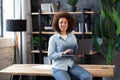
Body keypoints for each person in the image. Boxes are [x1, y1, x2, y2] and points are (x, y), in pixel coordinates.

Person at [48, 12, 93, 80]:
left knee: (88, 77)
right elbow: (50, 55)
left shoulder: (73, 37)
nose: (63, 24)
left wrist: (78, 54)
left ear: (68, 24)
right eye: (61, 22)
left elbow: (74, 52)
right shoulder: (53, 38)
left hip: (71, 65)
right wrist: (63, 53)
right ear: (57, 24)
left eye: (65, 22)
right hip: (59, 68)